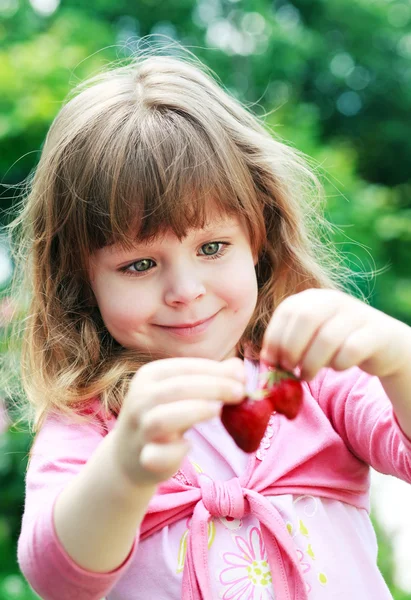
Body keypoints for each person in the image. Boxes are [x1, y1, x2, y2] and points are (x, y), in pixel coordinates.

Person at [14, 44, 411, 600]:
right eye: (140, 264)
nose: (186, 291)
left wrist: (399, 358)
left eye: (212, 246)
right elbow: (58, 575)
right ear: (80, 279)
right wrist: (126, 471)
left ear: (259, 238)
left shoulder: (310, 377)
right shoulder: (93, 423)